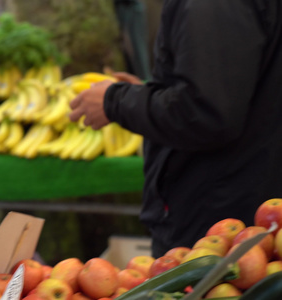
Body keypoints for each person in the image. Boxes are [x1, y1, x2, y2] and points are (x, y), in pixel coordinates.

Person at [69, 1, 282, 257]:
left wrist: (116, 102)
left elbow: (206, 113)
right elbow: (232, 84)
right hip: (242, 199)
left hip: (218, 219)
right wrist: (153, 90)